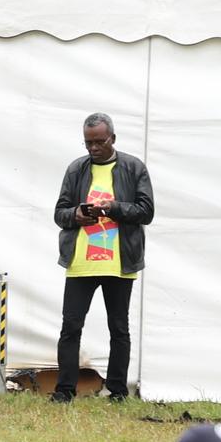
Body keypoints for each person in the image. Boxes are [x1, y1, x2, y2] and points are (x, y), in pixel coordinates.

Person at [49, 112, 152, 402]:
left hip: (120, 263)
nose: (93, 148)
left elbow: (147, 211)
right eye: (88, 143)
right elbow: (60, 213)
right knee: (71, 326)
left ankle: (118, 391)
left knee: (119, 328)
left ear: (113, 139)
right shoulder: (76, 170)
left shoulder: (133, 167)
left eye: (99, 142)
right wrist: (76, 215)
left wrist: (114, 207)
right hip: (80, 263)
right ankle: (64, 390)